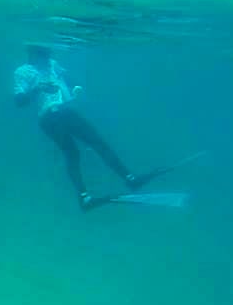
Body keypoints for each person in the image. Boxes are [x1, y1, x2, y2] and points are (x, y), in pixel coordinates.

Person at [13, 43, 145, 211]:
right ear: (33, 54)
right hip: (48, 118)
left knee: (97, 143)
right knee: (73, 152)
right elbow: (19, 101)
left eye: (48, 54)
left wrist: (75, 87)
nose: (48, 58)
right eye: (44, 54)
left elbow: (66, 77)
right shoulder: (21, 72)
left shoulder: (52, 63)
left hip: (66, 111)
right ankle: (84, 197)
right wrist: (37, 89)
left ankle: (129, 178)